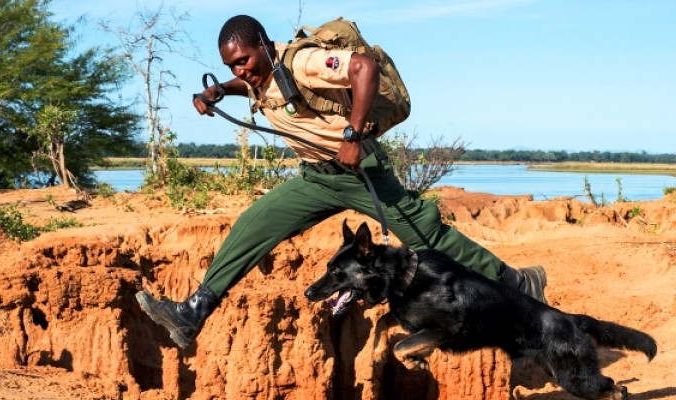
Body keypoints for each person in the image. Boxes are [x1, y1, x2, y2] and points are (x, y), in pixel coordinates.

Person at [136, 14, 548, 349]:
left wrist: (353, 135)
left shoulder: (301, 61)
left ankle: (518, 281)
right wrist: (218, 92)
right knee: (253, 224)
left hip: (358, 170)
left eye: (243, 60)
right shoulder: (258, 75)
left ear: (263, 45)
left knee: (427, 236)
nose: (240, 70)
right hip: (316, 178)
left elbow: (362, 67)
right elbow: (249, 81)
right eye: (231, 66)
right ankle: (193, 312)